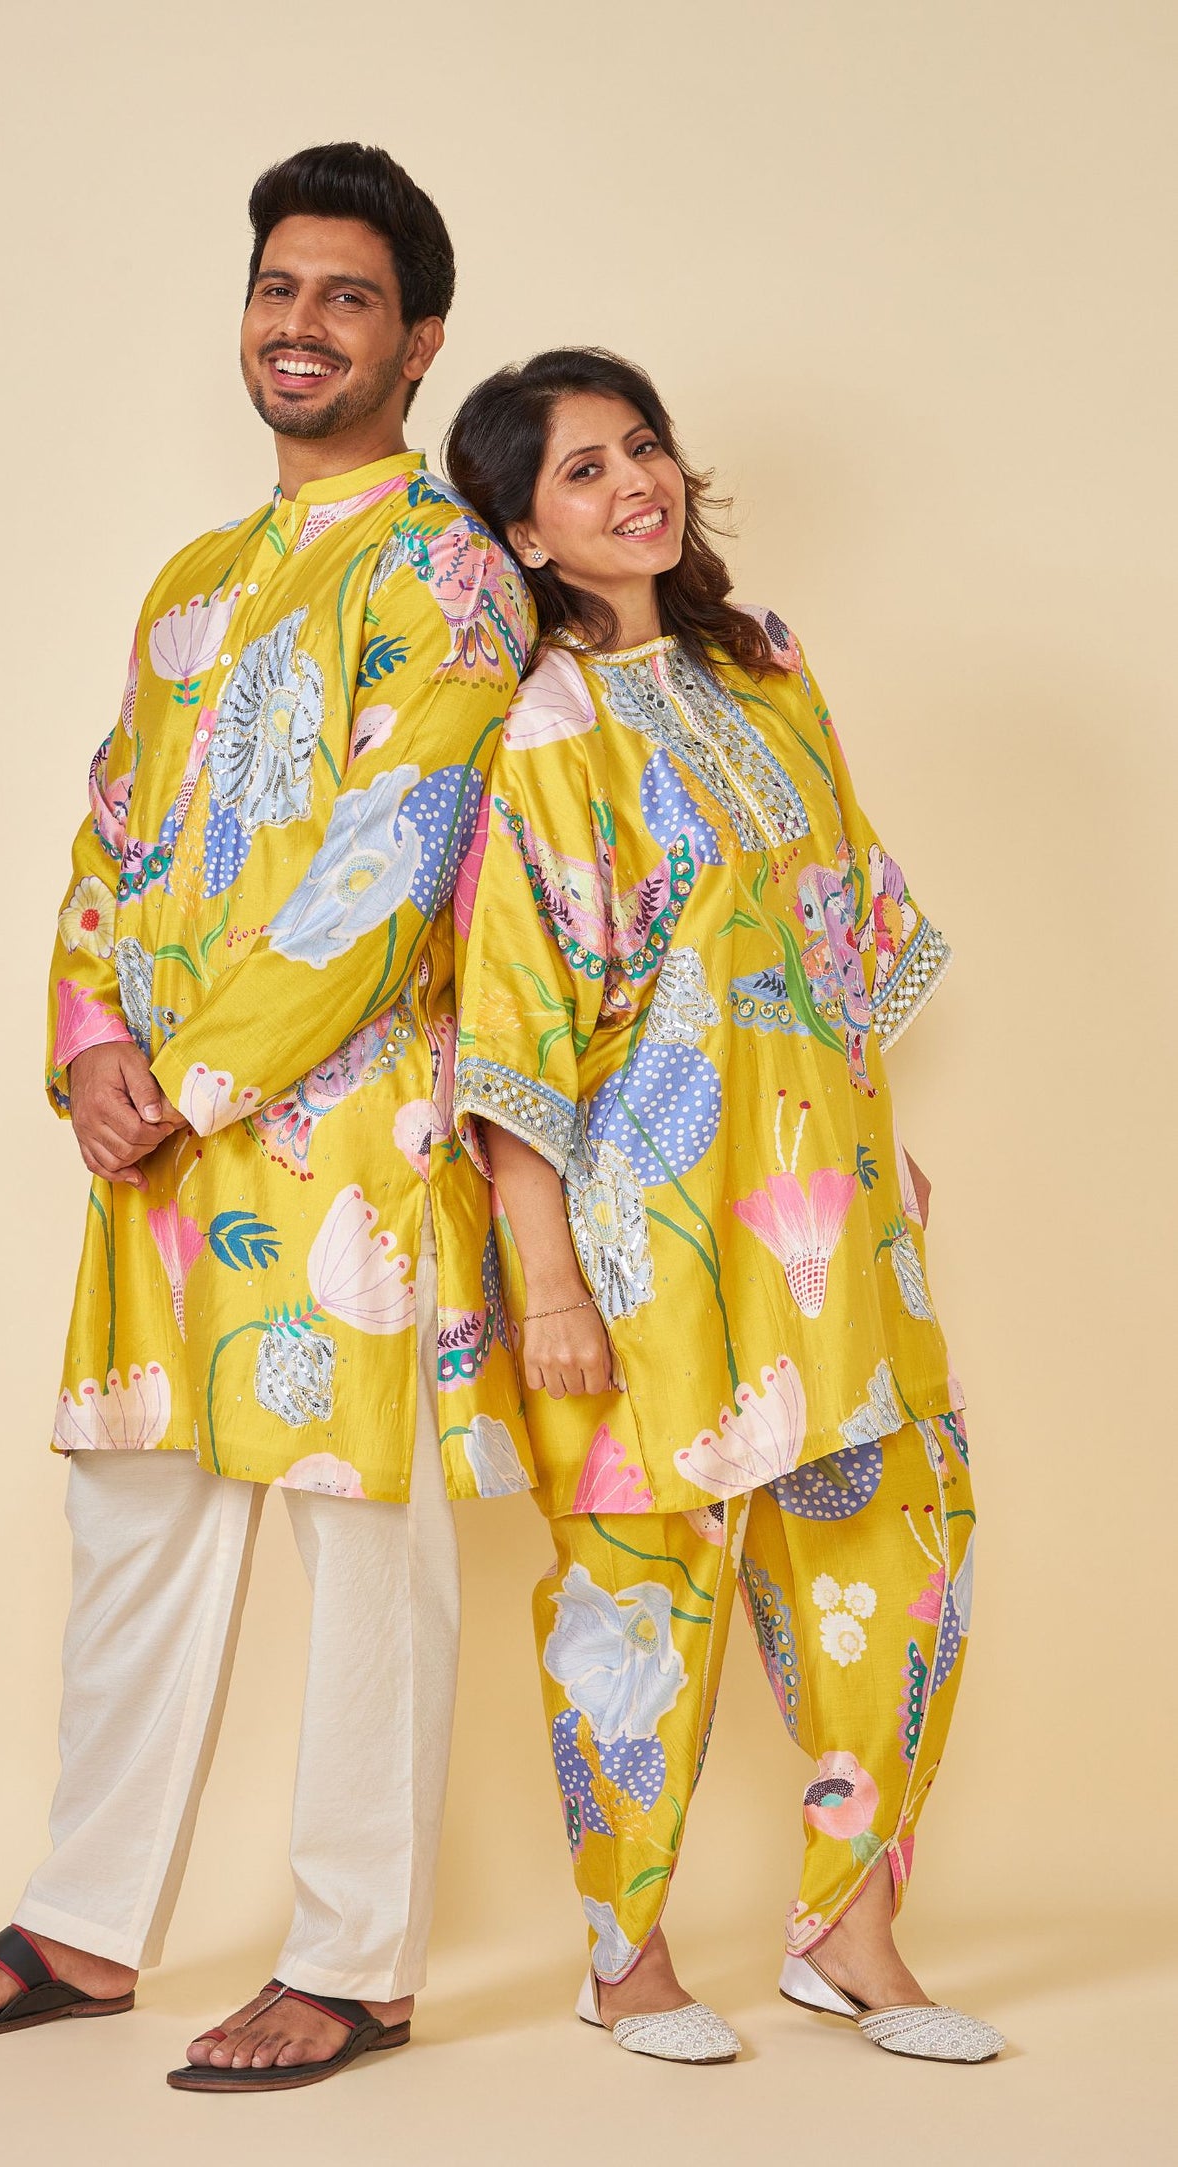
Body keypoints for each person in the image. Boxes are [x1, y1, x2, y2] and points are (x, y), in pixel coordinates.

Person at [0, 143, 535, 2094]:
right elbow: (114, 828)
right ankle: (82, 1924)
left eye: (346, 296)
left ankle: (356, 1959)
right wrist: (89, 1048)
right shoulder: (197, 584)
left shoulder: (449, 572)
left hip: (353, 1145)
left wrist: (200, 1079)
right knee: (136, 1515)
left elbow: (399, 856)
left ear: (419, 341)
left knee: (364, 1541)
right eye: (277, 286)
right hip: (156, 1144)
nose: (300, 323)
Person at [445, 348, 1004, 2065]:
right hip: (641, 1228)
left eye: (643, 448)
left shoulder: (765, 668)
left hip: (823, 1205)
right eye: (582, 472)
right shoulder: (537, 733)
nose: (635, 486)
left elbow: (831, 920)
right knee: (640, 1588)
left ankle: (853, 1937)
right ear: (524, 533)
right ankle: (626, 1960)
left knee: (891, 1557)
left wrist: (875, 1136)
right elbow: (517, 1014)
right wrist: (545, 1273)